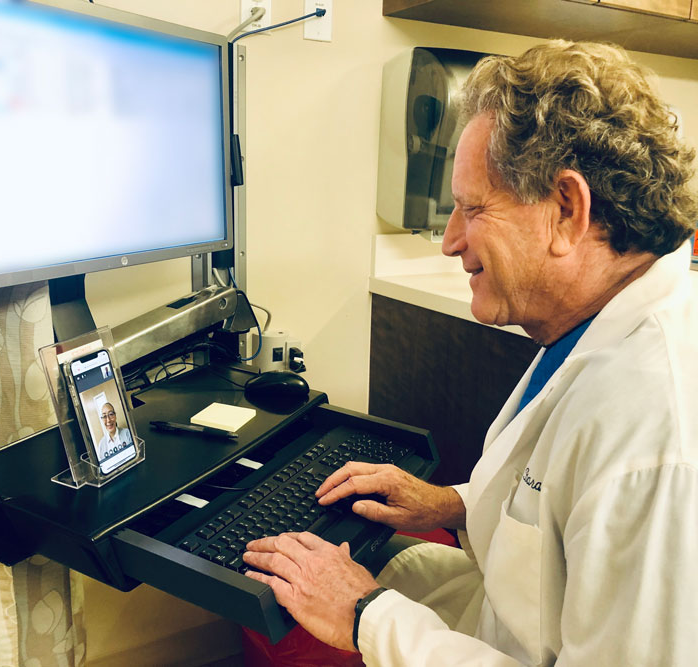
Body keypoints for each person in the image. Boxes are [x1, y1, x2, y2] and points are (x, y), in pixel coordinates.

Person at [243, 40, 698, 665]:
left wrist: (366, 617)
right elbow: (557, 509)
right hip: (501, 617)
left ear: (567, 210)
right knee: (295, 566)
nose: (451, 241)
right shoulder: (588, 318)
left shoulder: (657, 431)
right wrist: (449, 504)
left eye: (473, 208)